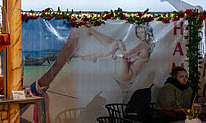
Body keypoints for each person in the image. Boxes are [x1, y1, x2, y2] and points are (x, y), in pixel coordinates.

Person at [27, 22, 155, 97]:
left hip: (126, 75)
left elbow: (126, 55)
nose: (140, 35)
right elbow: (130, 58)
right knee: (117, 44)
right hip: (127, 77)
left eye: (141, 32)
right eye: (138, 33)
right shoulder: (148, 47)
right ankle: (92, 36)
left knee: (118, 43)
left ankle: (93, 50)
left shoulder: (142, 45)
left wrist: (119, 51)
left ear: (147, 32)